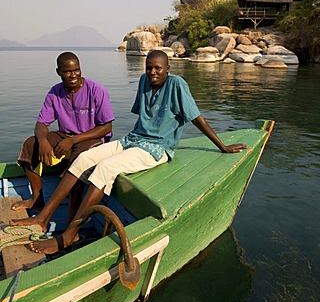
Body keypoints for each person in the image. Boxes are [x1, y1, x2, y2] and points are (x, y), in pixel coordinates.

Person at [11, 50, 247, 254]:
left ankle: (70, 233)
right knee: (84, 158)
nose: (152, 72)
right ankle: (43, 218)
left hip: (157, 148)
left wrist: (222, 146)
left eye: (158, 68)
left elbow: (196, 118)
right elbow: (141, 119)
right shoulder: (144, 81)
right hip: (133, 139)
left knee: (106, 167)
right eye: (149, 68)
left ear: (167, 68)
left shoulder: (177, 84)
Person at [12, 51, 114, 219]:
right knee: (31, 144)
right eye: (67, 71)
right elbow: (41, 124)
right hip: (66, 135)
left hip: (93, 139)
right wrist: (43, 140)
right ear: (58, 72)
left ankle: (71, 218)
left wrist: (72, 140)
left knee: (80, 158)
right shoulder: (55, 92)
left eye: (76, 70)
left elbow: (106, 126)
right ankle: (37, 199)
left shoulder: (96, 90)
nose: (73, 75)